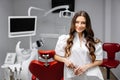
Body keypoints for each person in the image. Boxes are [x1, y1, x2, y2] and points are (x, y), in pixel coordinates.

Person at [54, 11, 104, 80]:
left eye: (83, 23)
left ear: (87, 25)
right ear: (73, 23)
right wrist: (65, 60)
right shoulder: (64, 39)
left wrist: (86, 67)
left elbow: (99, 60)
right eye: (77, 22)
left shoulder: (94, 42)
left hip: (91, 74)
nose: (79, 25)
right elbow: (56, 56)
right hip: (72, 74)